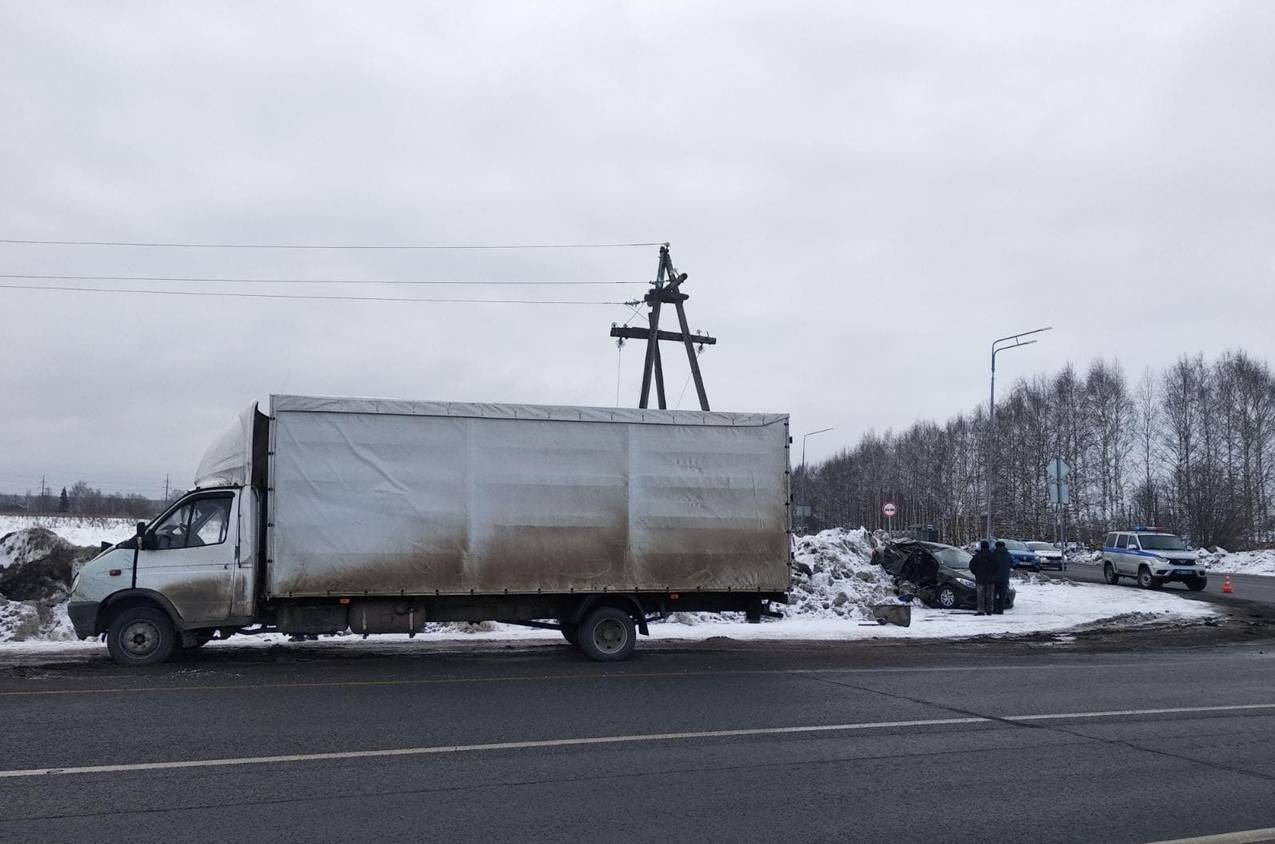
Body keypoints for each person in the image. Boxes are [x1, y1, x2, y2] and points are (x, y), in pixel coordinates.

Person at [968, 540, 997, 615]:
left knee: (980, 595)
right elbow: (997, 567)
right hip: (990, 579)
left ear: (981, 547)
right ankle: (989, 610)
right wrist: (992, 574)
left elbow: (971, 566)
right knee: (989, 595)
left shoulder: (977, 556)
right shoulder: (992, 556)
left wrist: (976, 573)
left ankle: (981, 610)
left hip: (980, 579)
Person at [992, 540, 1014, 614]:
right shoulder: (1008, 554)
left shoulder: (994, 554)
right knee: (1002, 594)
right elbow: (1012, 564)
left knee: (994, 594)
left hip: (995, 577)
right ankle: (1001, 609)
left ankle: (994, 608)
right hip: (1005, 578)